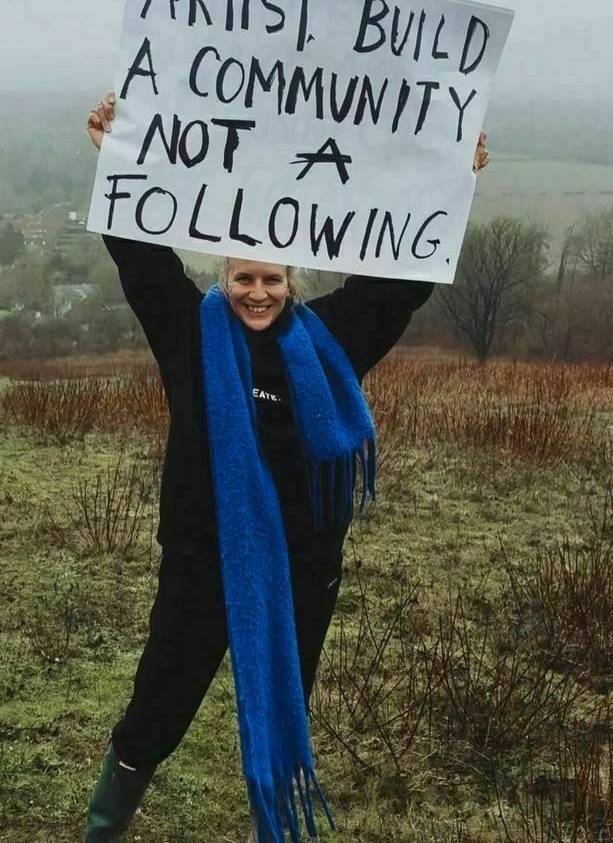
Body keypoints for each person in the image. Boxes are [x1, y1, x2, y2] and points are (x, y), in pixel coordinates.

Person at [83, 92, 490, 843]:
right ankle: (105, 824)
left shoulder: (331, 339)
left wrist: (450, 183)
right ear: (222, 279)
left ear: (291, 282)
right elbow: (140, 261)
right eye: (243, 279)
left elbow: (398, 283)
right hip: (204, 559)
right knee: (156, 705)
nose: (257, 292)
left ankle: (272, 828)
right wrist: (117, 153)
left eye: (271, 279)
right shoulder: (188, 336)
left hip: (303, 565)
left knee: (283, 707)